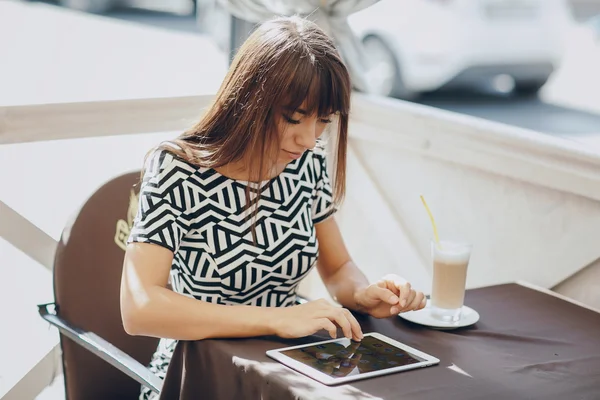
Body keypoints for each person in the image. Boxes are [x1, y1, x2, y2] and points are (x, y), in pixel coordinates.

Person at [119, 15, 426, 400]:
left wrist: (363, 292)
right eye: (294, 118)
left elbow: (338, 268)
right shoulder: (178, 169)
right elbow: (139, 306)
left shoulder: (306, 165)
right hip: (199, 373)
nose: (308, 138)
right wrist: (276, 318)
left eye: (323, 122)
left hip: (286, 368)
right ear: (249, 100)